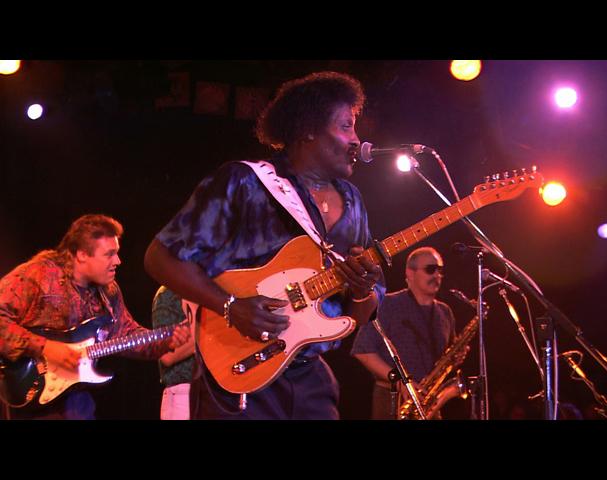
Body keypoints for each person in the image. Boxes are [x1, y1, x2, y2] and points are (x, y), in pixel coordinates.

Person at [144, 71, 385, 420]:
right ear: (308, 129)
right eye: (346, 126)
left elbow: (357, 317)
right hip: (241, 371)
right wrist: (230, 306)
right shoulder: (245, 182)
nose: (356, 140)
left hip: (310, 378)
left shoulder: (353, 202)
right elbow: (160, 258)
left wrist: (363, 291)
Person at [0, 214, 190, 420]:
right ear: (82, 254)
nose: (118, 261)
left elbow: (127, 334)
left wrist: (166, 341)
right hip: (31, 388)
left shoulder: (109, 290)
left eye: (116, 253)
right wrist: (45, 347)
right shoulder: (38, 274)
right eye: (109, 254)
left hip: (77, 397)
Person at [351, 246, 458, 420]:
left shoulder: (445, 312)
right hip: (392, 400)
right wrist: (402, 383)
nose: (437, 275)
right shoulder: (387, 304)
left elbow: (447, 358)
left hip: (429, 402)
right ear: (410, 272)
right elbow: (363, 351)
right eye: (430, 269)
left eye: (440, 270)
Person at [151, 286, 196, 420]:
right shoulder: (168, 294)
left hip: (216, 394)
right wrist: (211, 330)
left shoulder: (217, 287)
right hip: (184, 396)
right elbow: (166, 355)